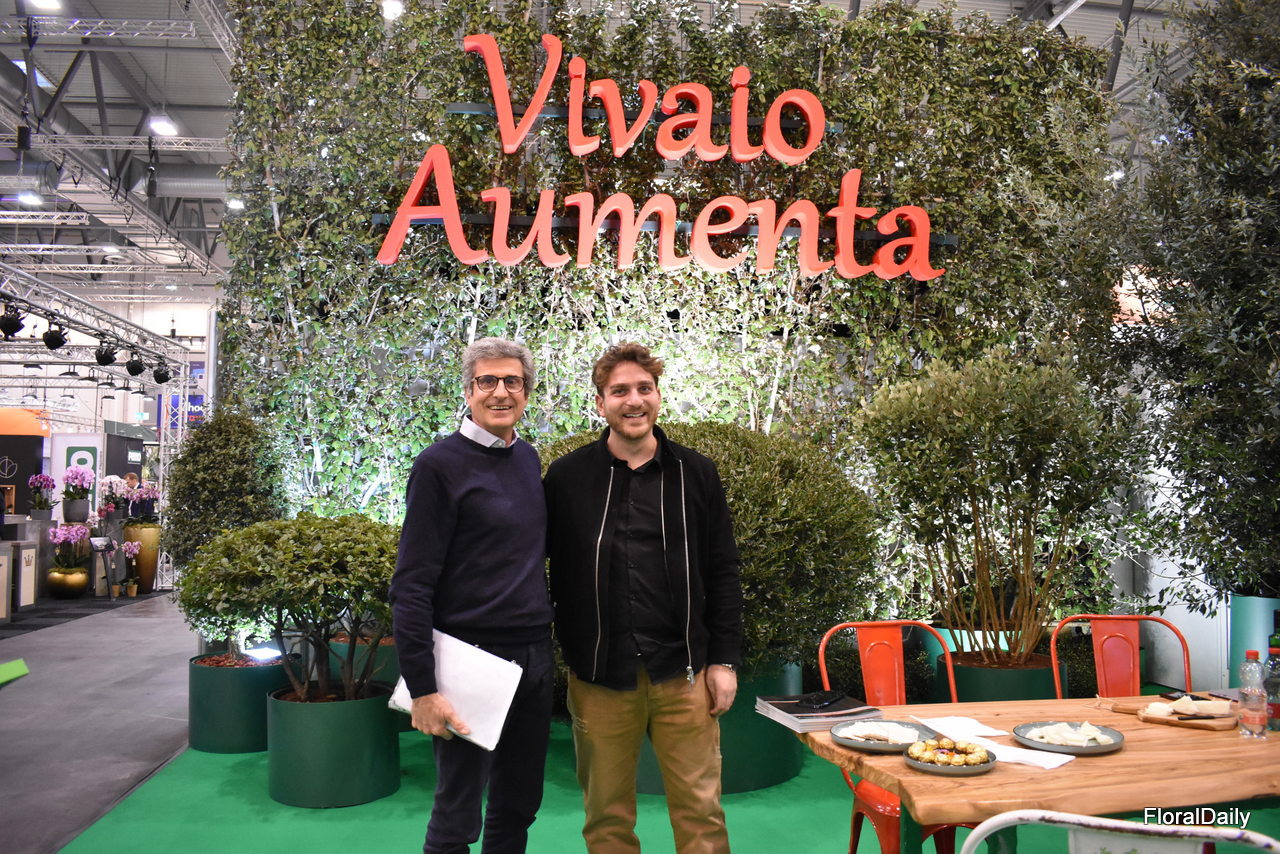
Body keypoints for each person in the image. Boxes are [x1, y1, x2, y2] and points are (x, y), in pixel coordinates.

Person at [544, 341, 743, 854]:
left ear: (657, 395)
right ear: (600, 403)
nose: (633, 400)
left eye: (644, 388)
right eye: (619, 391)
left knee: (701, 814)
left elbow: (723, 570)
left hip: (684, 673)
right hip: (599, 677)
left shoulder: (695, 473)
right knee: (606, 817)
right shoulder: (566, 479)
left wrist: (724, 660)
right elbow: (533, 565)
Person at [391, 337, 555, 854]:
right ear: (468, 391)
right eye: (488, 380)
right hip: (469, 660)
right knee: (458, 815)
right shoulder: (437, 466)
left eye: (513, 381)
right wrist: (423, 689)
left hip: (534, 657)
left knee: (519, 805)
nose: (500, 391)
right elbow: (411, 585)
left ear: (526, 392)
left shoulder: (527, 459)